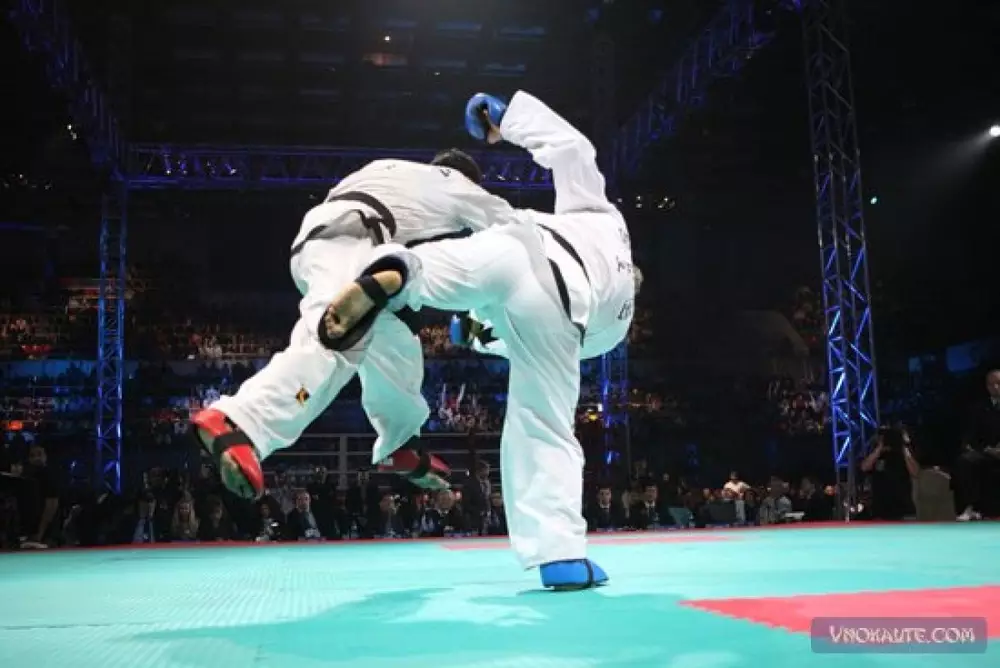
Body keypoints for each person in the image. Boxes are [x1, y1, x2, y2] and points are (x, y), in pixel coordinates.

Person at [320, 90, 638, 590]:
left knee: (434, 268)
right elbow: (549, 345)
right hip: (561, 302)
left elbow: (573, 149)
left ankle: (399, 270)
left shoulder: (604, 217)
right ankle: (560, 556)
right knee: (542, 423)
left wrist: (506, 120)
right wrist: (482, 338)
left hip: (519, 240)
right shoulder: (618, 318)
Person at [191, 149, 520, 499]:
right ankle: (239, 421)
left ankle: (400, 441)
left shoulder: (389, 168)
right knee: (338, 344)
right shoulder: (459, 185)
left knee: (397, 341)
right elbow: (517, 233)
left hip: (321, 241)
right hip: (350, 238)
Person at [954, 368, 1000, 520]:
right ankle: (971, 507)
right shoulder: (978, 409)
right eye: (991, 384)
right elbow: (971, 437)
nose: (995, 387)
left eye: (998, 383)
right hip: (987, 452)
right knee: (965, 461)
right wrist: (987, 449)